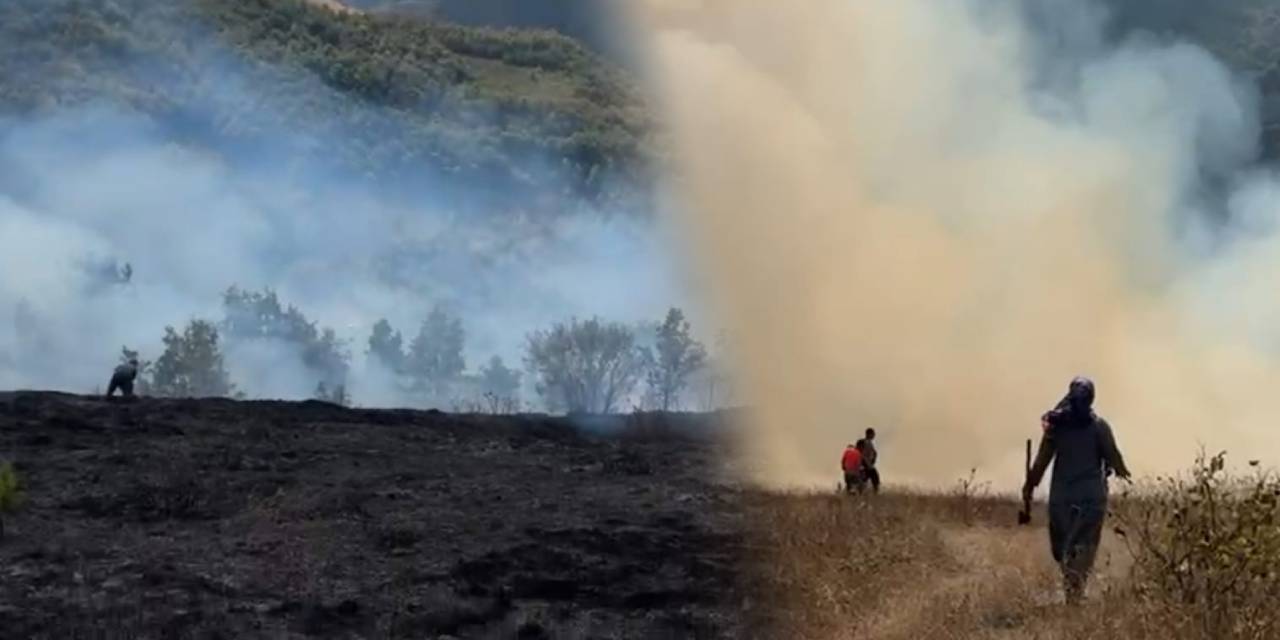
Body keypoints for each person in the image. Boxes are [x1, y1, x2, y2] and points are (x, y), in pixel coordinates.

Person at [1022, 376, 1130, 605]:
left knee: (1070, 548)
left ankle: (1074, 593)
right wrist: (1122, 471)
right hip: (1084, 498)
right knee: (1074, 548)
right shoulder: (1089, 427)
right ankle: (1074, 589)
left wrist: (1031, 483)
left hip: (1069, 498)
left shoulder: (1063, 427)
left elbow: (1042, 461)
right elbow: (1113, 455)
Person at [862, 428, 881, 493]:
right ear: (869, 434)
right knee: (876, 480)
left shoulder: (868, 442)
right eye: (873, 434)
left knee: (865, 480)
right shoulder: (867, 443)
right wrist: (868, 464)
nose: (874, 435)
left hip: (868, 465)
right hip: (868, 465)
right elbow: (864, 455)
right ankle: (875, 493)